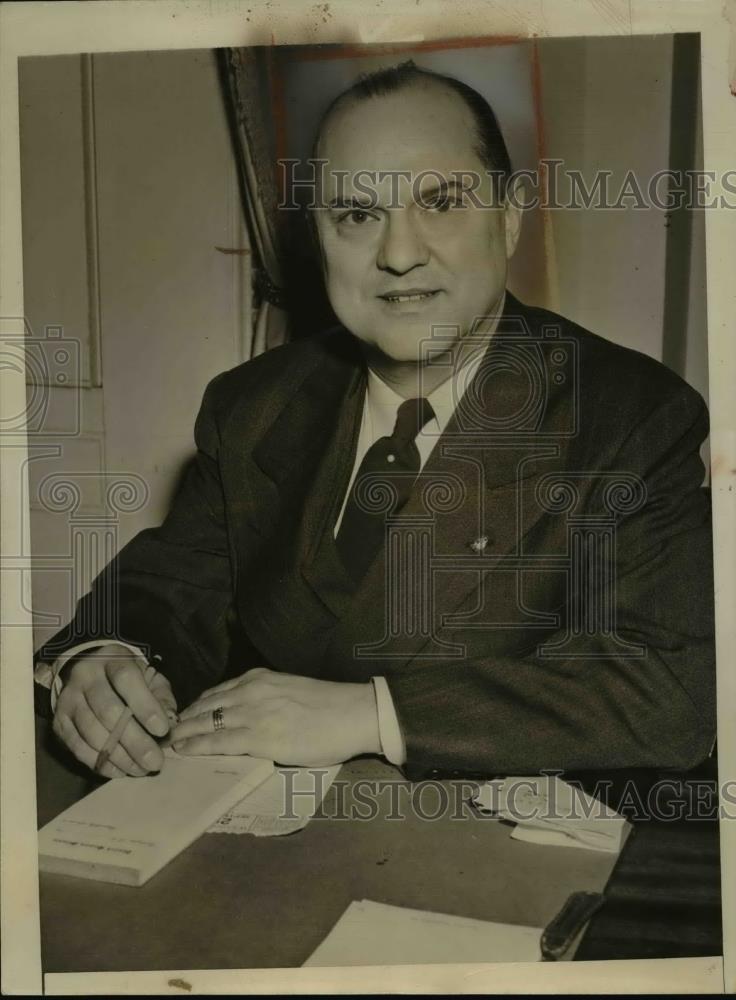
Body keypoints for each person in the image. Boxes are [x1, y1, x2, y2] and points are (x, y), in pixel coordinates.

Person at [34, 61, 716, 783]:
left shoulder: (629, 417)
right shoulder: (252, 406)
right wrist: (106, 656)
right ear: (318, 237)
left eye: (442, 202)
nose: (397, 255)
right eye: (357, 215)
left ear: (510, 216)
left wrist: (370, 715)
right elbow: (167, 593)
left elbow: (669, 692)